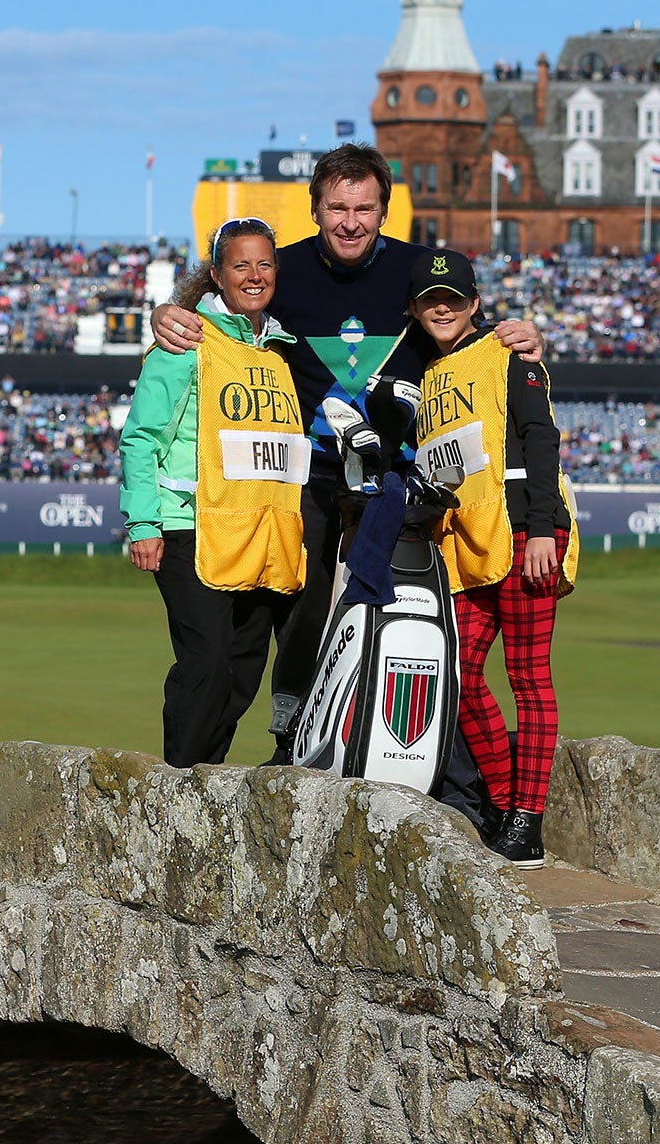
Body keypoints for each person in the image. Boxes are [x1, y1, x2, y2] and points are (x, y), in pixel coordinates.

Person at [148, 144, 544, 771]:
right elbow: (219, 292)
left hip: (399, 485)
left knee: (407, 623)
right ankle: (281, 748)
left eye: (364, 207)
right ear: (315, 209)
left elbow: (467, 328)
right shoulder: (284, 269)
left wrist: (515, 335)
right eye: (337, 207)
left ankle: (421, 763)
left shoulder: (419, 268)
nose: (351, 221)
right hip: (303, 479)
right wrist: (168, 310)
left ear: (385, 210)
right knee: (300, 617)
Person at [410, 249, 578, 867]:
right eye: (430, 300)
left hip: (524, 533)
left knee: (529, 679)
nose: (443, 307)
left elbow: (541, 436)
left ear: (475, 303)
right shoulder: (431, 374)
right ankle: (507, 801)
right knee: (456, 674)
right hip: (470, 544)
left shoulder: (509, 354)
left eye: (454, 297)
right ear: (417, 310)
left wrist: (540, 531)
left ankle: (526, 822)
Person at [122, 221, 304, 767]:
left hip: (257, 533)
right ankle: (177, 785)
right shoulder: (186, 342)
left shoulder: (279, 349)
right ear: (217, 275)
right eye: (240, 265)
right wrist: (143, 524)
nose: (254, 275)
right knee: (205, 661)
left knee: (243, 669)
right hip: (188, 527)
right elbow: (140, 438)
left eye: (264, 264)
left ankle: (207, 778)